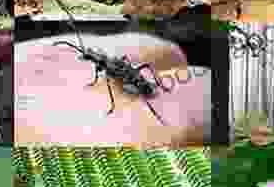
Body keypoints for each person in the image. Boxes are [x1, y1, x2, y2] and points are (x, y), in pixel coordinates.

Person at [14, 31, 211, 148]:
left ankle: (150, 105)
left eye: (90, 57)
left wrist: (115, 100)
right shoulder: (108, 62)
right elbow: (105, 66)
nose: (88, 58)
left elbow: (113, 75)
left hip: (137, 82)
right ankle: (154, 90)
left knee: (119, 84)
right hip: (131, 75)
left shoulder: (109, 68)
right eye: (89, 56)